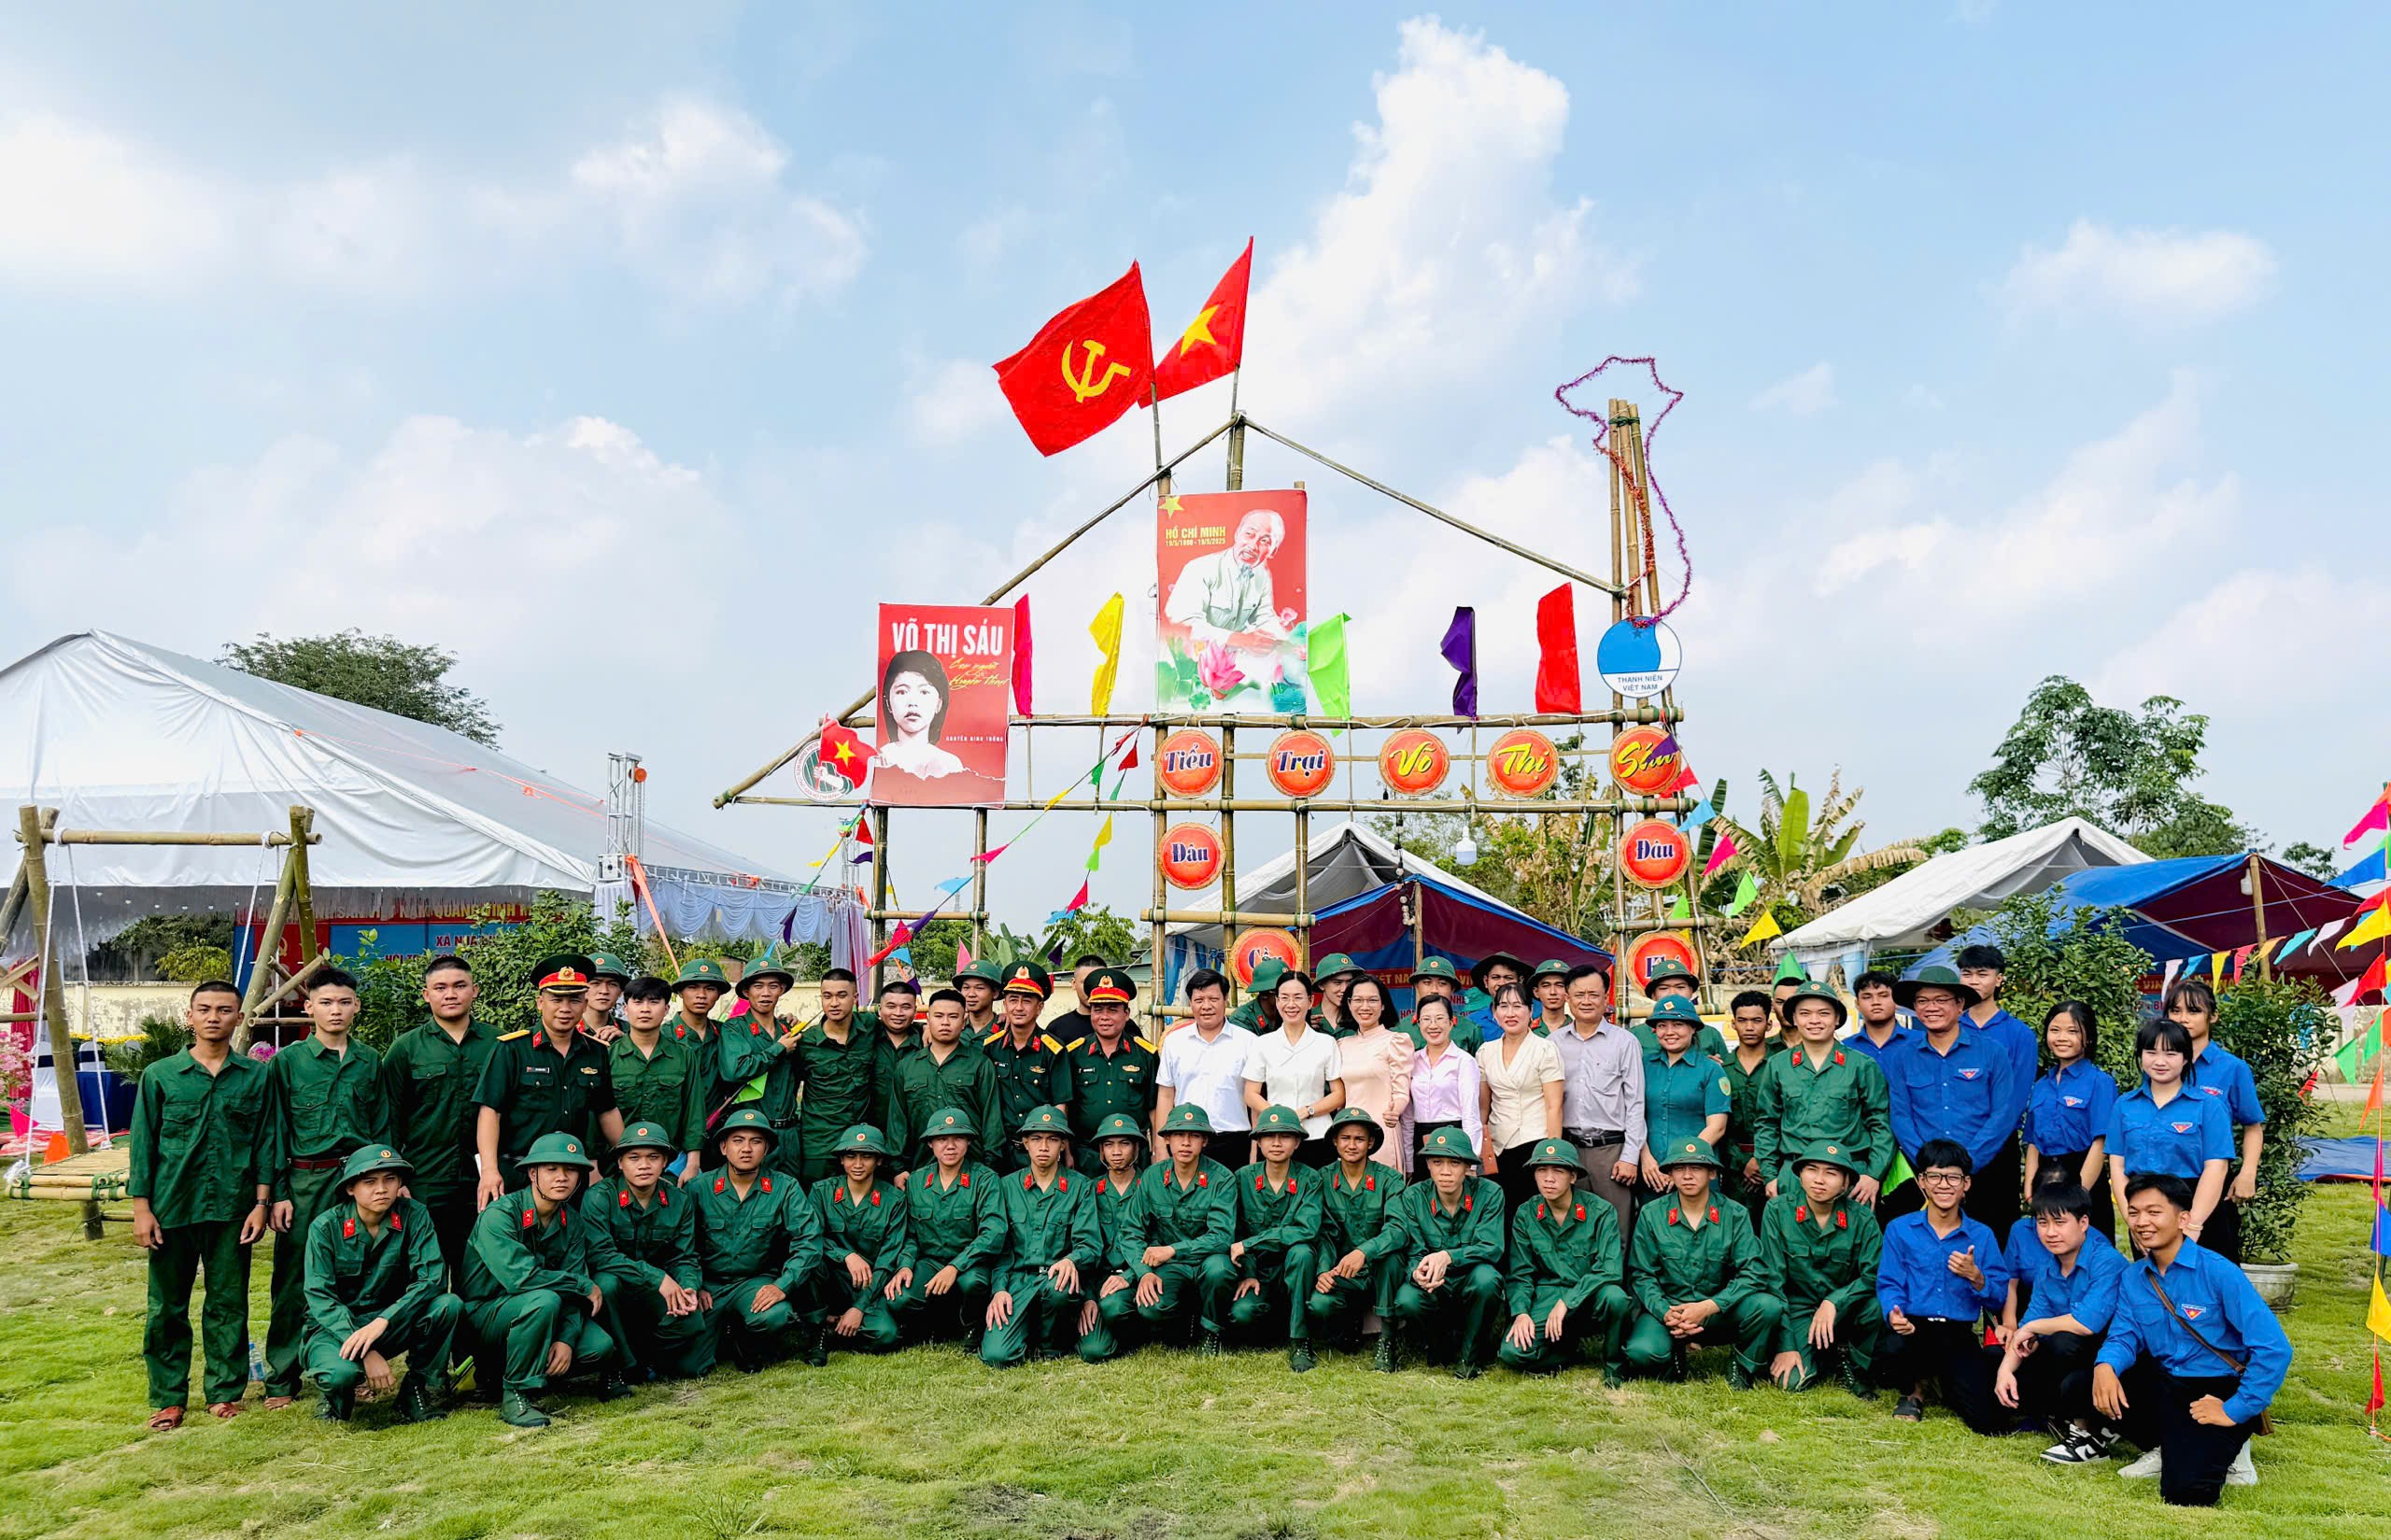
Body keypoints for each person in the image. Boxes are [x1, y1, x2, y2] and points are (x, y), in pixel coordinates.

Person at [2093, 1172, 2291, 1505]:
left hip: (2217, 1386)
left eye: (2154, 1212)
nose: (2142, 1222)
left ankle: (2235, 1446)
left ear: (2183, 1219)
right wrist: (2105, 1366)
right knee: (2087, 1381)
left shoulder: (2218, 1271)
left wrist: (2234, 1409)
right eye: (2135, 1212)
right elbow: (2125, 1335)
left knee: (2186, 1492)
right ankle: (2168, 1445)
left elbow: (2275, 1348)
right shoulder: (2133, 1276)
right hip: (2168, 1381)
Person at [129, 980, 274, 1430]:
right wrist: (141, 1208)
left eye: (224, 1010)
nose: (214, 1017)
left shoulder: (256, 1076)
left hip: (233, 1209)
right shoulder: (160, 1075)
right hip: (171, 1207)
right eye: (205, 1009)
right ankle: (168, 1397)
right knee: (166, 1306)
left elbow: (266, 1140)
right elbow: (143, 1145)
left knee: (228, 1303)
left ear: (239, 1018)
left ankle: (224, 1392)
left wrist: (262, 1202)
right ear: (189, 1016)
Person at [262, 967, 391, 1409]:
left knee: (357, 1274)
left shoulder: (369, 1061)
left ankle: (352, 1365)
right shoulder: (288, 1062)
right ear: (308, 1007)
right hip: (306, 1181)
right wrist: (279, 1193)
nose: (335, 1010)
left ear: (356, 1007)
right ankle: (282, 1377)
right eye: (326, 1002)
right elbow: (275, 1131)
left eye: (344, 1002)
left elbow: (381, 1125)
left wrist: (387, 1180)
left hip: (358, 1179)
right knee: (294, 1277)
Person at [459, 1131, 622, 1427]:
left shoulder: (572, 1222)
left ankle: (525, 1373)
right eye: (551, 1169)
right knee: (544, 1299)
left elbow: (575, 1294)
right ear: (533, 1173)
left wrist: (565, 1339)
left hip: (541, 1314)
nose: (562, 1177)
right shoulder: (500, 1214)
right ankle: (516, 1394)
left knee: (598, 1347)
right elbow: (520, 1279)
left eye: (570, 1170)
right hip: (486, 1316)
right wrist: (581, 1285)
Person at [301, 1145, 460, 1423]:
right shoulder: (325, 1228)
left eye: (390, 1179)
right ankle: (336, 1397)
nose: (382, 1189)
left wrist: (384, 1321)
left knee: (448, 1305)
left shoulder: (414, 1215)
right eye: (370, 1182)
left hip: (388, 1322)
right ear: (350, 1188)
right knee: (340, 1375)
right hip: (335, 1329)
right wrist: (366, 1350)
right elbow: (320, 1297)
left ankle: (415, 1391)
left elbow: (431, 1279)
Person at [378, 954, 500, 1290]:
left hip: (484, 1181)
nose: (450, 994)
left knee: (479, 1276)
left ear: (474, 990)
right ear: (426, 994)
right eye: (440, 987)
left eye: (459, 986)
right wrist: (395, 1177)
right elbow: (390, 1118)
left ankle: (472, 1327)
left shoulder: (500, 1044)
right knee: (423, 1277)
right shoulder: (406, 1049)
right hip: (424, 1181)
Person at [1622, 1138, 1780, 1388]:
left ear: (1712, 1173)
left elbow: (1753, 1272)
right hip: (1670, 1311)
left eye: (1696, 1168)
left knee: (1768, 1306)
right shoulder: (1652, 1214)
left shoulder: (1735, 1214)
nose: (1687, 1175)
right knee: (1642, 1352)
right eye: (1679, 1168)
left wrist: (1709, 1307)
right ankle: (1672, 1355)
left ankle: (1743, 1365)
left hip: (1717, 1311)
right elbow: (1641, 1274)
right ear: (1670, 1174)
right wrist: (1666, 1313)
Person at [1876, 1139, 2012, 1430]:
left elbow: (1999, 1296)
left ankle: (1944, 1382)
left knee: (1989, 1423)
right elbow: (1889, 1282)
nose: (1944, 1185)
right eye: (1935, 1176)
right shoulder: (1900, 1229)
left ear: (1966, 1184)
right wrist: (1894, 1312)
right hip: (1913, 1328)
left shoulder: (1982, 1235)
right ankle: (1914, 1390)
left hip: (1957, 1332)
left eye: (1953, 1177)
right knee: (1892, 1345)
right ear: (1922, 1181)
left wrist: (1976, 1277)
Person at [474, 955, 625, 1206]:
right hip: (519, 1172)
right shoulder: (512, 1049)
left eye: (574, 1000)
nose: (565, 1008)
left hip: (571, 1174)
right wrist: (489, 1170)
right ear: (540, 1002)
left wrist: (628, 1158)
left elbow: (606, 1110)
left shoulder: (596, 1051)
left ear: (585, 1004)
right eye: (556, 999)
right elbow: (490, 1111)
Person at [1998, 1178, 2129, 1464]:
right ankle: (2058, 1416)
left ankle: (2085, 1431)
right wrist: (2004, 1371)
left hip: (2114, 1365)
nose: (2050, 1232)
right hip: (2072, 1363)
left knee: (2063, 1341)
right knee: (2002, 1359)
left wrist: (2031, 1328)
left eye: (2059, 1222)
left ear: (2083, 1223)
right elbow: (2028, 1330)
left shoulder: (2107, 1260)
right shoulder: (2048, 1268)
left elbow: (2087, 1324)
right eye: (2042, 1223)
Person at [1884, 966, 2023, 1228]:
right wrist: (1930, 1166)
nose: (1931, 1008)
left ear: (1960, 1005)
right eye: (1922, 1001)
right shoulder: (1903, 1057)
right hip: (1926, 1177)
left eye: (1940, 1000)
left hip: (1985, 1172)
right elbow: (1901, 1116)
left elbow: (2003, 1113)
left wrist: (1967, 1162)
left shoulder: (1992, 1052)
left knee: (1990, 1241)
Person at [692, 1108, 824, 1372]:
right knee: (691, 1365)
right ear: (723, 1147)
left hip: (754, 1282)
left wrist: (782, 1285)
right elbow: (682, 1245)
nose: (746, 1149)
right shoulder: (699, 1188)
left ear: (767, 1149)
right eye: (738, 1141)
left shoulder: (785, 1187)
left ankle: (746, 1339)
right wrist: (695, 1285)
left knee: (775, 1315)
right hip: (710, 1286)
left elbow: (808, 1240)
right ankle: (725, 1334)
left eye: (756, 1141)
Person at [581, 1120, 710, 1383]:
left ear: (665, 1162)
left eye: (653, 1157)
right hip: (619, 1289)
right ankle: (623, 1366)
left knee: (692, 1324)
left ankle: (645, 1355)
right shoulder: (599, 1197)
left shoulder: (678, 1200)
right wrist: (657, 1278)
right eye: (634, 1157)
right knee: (606, 1283)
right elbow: (601, 1255)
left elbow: (685, 1256)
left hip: (655, 1292)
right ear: (620, 1163)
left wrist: (688, 1287)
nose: (644, 1165)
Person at [1106, 1103, 1238, 1354]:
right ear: (1167, 1139)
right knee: (1150, 1306)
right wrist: (1144, 1272)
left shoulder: (1222, 1178)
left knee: (1219, 1270)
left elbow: (1222, 1237)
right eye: (1178, 1135)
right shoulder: (1153, 1177)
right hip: (1171, 1267)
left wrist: (1173, 1250)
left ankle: (1211, 1332)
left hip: (1208, 1260)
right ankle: (1183, 1324)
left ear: (1205, 1141)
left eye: (1194, 1135)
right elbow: (1131, 1232)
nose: (1185, 1143)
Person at [1497, 1137, 1632, 1381]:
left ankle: (1614, 1364)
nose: (1549, 1178)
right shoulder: (1526, 1213)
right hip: (1548, 1296)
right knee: (1512, 1353)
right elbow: (1520, 1273)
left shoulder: (1601, 1211)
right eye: (1542, 1170)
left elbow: (1610, 1270)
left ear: (1572, 1176)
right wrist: (1521, 1313)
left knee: (1616, 1298)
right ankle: (1566, 1350)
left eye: (1558, 1171)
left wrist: (1567, 1302)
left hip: (1589, 1296)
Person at [1751, 982, 1890, 1214]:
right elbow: (1767, 1123)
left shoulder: (1861, 1065)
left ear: (1837, 1019)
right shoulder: (1778, 1065)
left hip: (1851, 1177)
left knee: (1852, 1236)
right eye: (1805, 1013)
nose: (1814, 1020)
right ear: (1794, 1018)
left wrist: (1873, 1174)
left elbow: (1880, 1123)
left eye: (1824, 1013)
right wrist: (1771, 1175)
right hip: (1793, 1174)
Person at [1759, 1139, 1885, 1396]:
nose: (1819, 1180)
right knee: (1792, 1382)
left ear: (1846, 1183)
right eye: (1812, 1170)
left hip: (1845, 1309)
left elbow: (1874, 1274)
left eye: (1831, 1173)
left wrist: (1833, 1301)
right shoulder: (1777, 1211)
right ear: (1799, 1174)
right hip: (1798, 1309)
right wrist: (1786, 1346)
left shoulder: (1862, 1218)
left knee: (1877, 1305)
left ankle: (1854, 1364)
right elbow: (1773, 1280)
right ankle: (1823, 1355)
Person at [1383, 1125, 1507, 1378]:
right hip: (1435, 1284)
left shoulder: (1490, 1193)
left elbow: (1491, 1247)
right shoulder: (1414, 1197)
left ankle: (1470, 1357)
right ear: (1428, 1165)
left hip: (1470, 1278)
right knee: (1408, 1298)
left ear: (1468, 1166)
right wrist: (1417, 1273)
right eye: (1437, 1162)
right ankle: (1439, 1346)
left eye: (1454, 1163)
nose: (1446, 1171)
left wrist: (1449, 1256)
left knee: (1488, 1279)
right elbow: (1414, 1252)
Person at [981, 1106, 1100, 1367]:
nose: (1044, 1147)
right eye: (1036, 1139)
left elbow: (1090, 1244)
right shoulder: (1006, 1186)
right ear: (1025, 1143)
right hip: (1018, 1281)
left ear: (1063, 1144)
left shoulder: (1080, 1186)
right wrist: (999, 1290)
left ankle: (1052, 1345)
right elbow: (1001, 1249)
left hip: (1056, 1280)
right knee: (997, 1356)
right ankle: (1027, 1333)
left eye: (1052, 1139)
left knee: (1060, 1289)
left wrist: (1071, 1260)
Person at [885, 1107, 1004, 1349]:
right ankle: (931, 1326)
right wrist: (905, 1265)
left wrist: (955, 1266)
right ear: (930, 1143)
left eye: (958, 1138)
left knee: (973, 1284)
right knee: (900, 1297)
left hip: (970, 1262)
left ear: (968, 1142)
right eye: (942, 1139)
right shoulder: (917, 1181)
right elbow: (910, 1234)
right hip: (930, 1261)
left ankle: (972, 1325)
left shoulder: (985, 1179)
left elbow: (993, 1233)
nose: (950, 1146)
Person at [2105, 1019, 2231, 1243]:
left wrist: (2193, 1225)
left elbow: (2216, 1168)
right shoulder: (2124, 1105)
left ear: (2186, 1058)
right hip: (2144, 1209)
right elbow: (2117, 1165)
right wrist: (2133, 1221)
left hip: (2196, 1208)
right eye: (2151, 1052)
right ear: (2140, 1055)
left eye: (2171, 1054)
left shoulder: (2209, 1106)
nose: (2160, 1061)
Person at [2169, 978, 2266, 1264]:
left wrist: (2247, 1174)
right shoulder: (2158, 1064)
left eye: (2193, 1011)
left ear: (2213, 1016)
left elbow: (2252, 1126)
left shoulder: (2232, 1068)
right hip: (2164, 1181)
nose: (2183, 1018)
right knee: (2163, 1268)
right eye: (2175, 1010)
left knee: (2217, 1266)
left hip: (2213, 1180)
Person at [1225, 1105, 1327, 1369]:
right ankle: (1275, 1328)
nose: (1277, 1143)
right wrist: (1248, 1272)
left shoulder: (1310, 1179)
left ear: (1297, 1142)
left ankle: (1300, 1340)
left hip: (1296, 1269)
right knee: (1242, 1314)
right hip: (1258, 1270)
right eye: (1269, 1136)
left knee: (1302, 1251)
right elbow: (1237, 1233)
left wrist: (1251, 1243)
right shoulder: (1242, 1178)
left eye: (1286, 1136)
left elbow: (1306, 1229)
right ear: (1258, 1142)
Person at [1549, 963, 1646, 1239]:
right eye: (1579, 995)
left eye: (1594, 994)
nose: (1586, 1001)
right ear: (1567, 998)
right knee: (1573, 1230)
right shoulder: (1553, 1043)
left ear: (1606, 998)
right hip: (1568, 1149)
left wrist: (1630, 1157)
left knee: (1616, 1230)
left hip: (1611, 1152)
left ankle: (1616, 1272)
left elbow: (1636, 1103)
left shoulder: (1625, 1042)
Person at [1308, 1106, 1408, 1370]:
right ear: (1334, 1141)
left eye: (1359, 1139)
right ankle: (1348, 1321)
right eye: (1345, 1138)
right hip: (1344, 1272)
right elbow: (1323, 1233)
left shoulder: (1389, 1179)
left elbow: (1398, 1229)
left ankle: (1388, 1339)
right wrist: (1323, 1270)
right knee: (1319, 1303)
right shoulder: (1322, 1179)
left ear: (1370, 1143)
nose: (1352, 1145)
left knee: (1392, 1259)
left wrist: (1364, 1252)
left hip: (1379, 1270)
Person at [1953, 943, 2044, 1225]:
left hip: (1999, 1145)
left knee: (1999, 1226)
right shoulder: (1949, 1028)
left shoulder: (2019, 1034)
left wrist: (1978, 1151)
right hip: (1953, 1142)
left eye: (1982, 974)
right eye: (1967, 974)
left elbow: (2015, 1101)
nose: (1974, 981)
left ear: (1999, 979)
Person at [764, 967, 882, 1185]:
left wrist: (924, 1030)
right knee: (816, 1199)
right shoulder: (804, 1042)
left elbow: (900, 1025)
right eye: (827, 996)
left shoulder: (870, 1026)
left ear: (855, 998)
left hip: (860, 1142)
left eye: (842, 995)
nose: (834, 1003)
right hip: (819, 1144)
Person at [1162, 505, 1296, 683]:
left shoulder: (1262, 575)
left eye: (1265, 541)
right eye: (1249, 534)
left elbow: (1265, 618)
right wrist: (1241, 640)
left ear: (1274, 550)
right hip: (1182, 671)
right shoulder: (1199, 568)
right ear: (1237, 534)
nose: (1253, 545)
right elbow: (1182, 624)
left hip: (1225, 672)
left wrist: (1291, 645)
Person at [2023, 1002, 2118, 1240]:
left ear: (2088, 1037)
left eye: (2072, 1031)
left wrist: (2080, 1194)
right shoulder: (2041, 1085)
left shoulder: (2100, 1082)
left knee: (2089, 1251)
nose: (2062, 1038)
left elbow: (2100, 1144)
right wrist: (2029, 1188)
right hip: (2044, 1180)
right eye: (2055, 1030)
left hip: (2083, 1178)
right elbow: (2033, 1142)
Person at [810, 1124, 906, 1357]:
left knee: (886, 1334)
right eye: (851, 1156)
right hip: (832, 1280)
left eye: (867, 1156)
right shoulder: (821, 1192)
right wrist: (847, 1256)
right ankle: (818, 1328)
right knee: (810, 1262)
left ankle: (838, 1328)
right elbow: (811, 1239)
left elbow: (887, 1261)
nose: (858, 1164)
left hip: (870, 1286)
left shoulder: (894, 1200)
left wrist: (859, 1307)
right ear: (842, 1160)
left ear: (879, 1161)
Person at [885, 988, 1005, 1168]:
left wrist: (989, 1167)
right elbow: (897, 1122)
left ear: (963, 1022)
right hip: (919, 1168)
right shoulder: (907, 1067)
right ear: (928, 1020)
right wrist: (898, 1168)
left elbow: (992, 1120)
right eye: (939, 1016)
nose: (945, 1023)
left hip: (971, 1167)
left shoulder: (980, 1064)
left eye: (953, 1017)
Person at [1477, 982, 1566, 1217]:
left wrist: (1552, 1155)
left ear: (1531, 1010)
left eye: (1518, 1006)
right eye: (1503, 1006)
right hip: (1497, 1146)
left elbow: (1554, 1106)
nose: (1510, 1013)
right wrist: (1480, 1148)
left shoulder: (1545, 1049)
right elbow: (1483, 1107)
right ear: (1495, 1012)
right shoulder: (1486, 1051)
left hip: (1534, 1143)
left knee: (1532, 1216)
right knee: (1500, 1216)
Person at [606, 974, 708, 1178]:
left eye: (653, 1002)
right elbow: (597, 1114)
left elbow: (694, 1112)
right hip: (616, 1164)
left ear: (666, 1009)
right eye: (638, 1002)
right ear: (625, 1008)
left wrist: (693, 1163)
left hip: (670, 1164)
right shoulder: (608, 1056)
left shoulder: (684, 1056)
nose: (645, 1009)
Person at [1635, 996, 1732, 1211]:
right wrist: (1645, 1158)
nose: (1669, 1032)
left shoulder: (1711, 1070)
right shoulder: (1642, 1065)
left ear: (1693, 1028)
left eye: (1678, 1024)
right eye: (1662, 1025)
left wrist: (1681, 1166)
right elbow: (1634, 1116)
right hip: (1652, 1173)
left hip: (1696, 1172)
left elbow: (1717, 1127)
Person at [1242, 968, 1345, 1166]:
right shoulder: (1263, 1044)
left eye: (1298, 997)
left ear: (1310, 1001)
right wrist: (1280, 1117)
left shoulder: (1325, 1043)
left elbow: (1338, 1094)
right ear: (1277, 1001)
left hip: (1317, 1134)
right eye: (1284, 998)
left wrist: (1308, 1111)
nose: (1291, 1004)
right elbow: (1250, 1094)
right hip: (1274, 1135)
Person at [1156, 968, 1257, 1166]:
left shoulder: (1248, 1042)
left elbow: (1255, 1100)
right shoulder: (1175, 1042)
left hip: (1234, 1141)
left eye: (1213, 999)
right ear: (1190, 1003)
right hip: (1186, 1141)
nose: (1206, 1006)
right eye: (1199, 1000)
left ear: (1225, 999)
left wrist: (1255, 1151)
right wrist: (1160, 1147)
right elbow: (1166, 1095)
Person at [1076, 1112, 1153, 1363]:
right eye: (1109, 1144)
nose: (1116, 1152)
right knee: (1094, 1351)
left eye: (1124, 1144)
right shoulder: (1089, 1190)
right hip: (1101, 1281)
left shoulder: (1151, 1186)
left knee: (1118, 1307)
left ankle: (1143, 1332)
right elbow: (1083, 1246)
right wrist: (1088, 1296)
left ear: (1137, 1148)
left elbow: (1159, 1240)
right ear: (1101, 1151)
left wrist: (1130, 1276)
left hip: (1140, 1275)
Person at [1065, 968, 1158, 1172]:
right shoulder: (1073, 1054)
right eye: (1098, 1010)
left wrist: (1158, 1151)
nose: (1104, 1017)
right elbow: (1065, 1106)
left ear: (1127, 1014)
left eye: (1112, 1010)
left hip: (1134, 1155)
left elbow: (1154, 1109)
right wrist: (1066, 1150)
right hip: (1086, 1156)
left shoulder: (1146, 1055)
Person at [982, 962, 1073, 1172]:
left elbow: (1061, 1106)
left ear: (1039, 1007)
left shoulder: (1054, 1050)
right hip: (1000, 1151)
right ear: (1005, 1004)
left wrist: (1062, 1150)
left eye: (1027, 1001)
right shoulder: (990, 1047)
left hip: (1040, 1152)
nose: (1019, 1007)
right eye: (1013, 1000)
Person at [1400, 995, 1482, 1177]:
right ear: (1418, 1023)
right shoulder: (1412, 1061)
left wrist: (1471, 1162)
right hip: (1421, 1140)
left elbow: (1471, 1113)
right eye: (1426, 1019)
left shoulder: (1464, 1061)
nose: (1433, 1025)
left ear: (1451, 1023)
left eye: (1439, 1018)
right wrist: (1408, 1161)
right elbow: (1408, 1116)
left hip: (1454, 1139)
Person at [1330, 976, 1410, 1160]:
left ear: (1383, 1005)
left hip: (1382, 1127)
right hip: (1348, 1131)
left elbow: (1401, 1091)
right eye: (1358, 1000)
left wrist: (1395, 1111)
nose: (1365, 1007)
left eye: (1372, 1000)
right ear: (1349, 1004)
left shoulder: (1396, 1041)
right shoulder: (1341, 1045)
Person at [1718, 990, 1777, 1224]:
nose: (1749, 1027)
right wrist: (1742, 1163)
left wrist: (1761, 1160)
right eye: (1742, 1020)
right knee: (1736, 1229)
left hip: (1775, 1166)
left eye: (1757, 1020)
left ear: (1768, 1024)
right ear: (1733, 1024)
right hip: (1733, 1169)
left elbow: (1788, 1118)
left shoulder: (1782, 1064)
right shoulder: (1721, 1069)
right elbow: (1718, 1124)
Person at [715, 954, 797, 1123]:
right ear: (747, 991)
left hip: (788, 1129)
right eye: (758, 986)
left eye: (773, 986)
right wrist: (779, 1049)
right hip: (750, 1129)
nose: (765, 993)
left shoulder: (788, 1030)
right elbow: (734, 1071)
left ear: (782, 989)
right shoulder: (735, 1028)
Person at [872, 649, 969, 780]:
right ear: (888, 703)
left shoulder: (950, 764)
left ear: (939, 703)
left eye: (924, 692)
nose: (912, 703)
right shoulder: (879, 759)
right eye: (902, 692)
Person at [1633, 957, 1733, 1059]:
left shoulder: (1711, 1034)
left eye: (1680, 987)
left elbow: (1725, 1065)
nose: (1673, 993)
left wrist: (1712, 1065)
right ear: (1653, 995)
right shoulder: (1636, 1035)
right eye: (1664, 988)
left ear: (1691, 992)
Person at [870, 977, 923, 1131]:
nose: (898, 1013)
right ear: (880, 1009)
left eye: (906, 1007)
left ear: (915, 1010)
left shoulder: (926, 1043)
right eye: (891, 1006)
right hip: (872, 1134)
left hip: (915, 1133)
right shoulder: (866, 1039)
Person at [1399, 956, 1478, 1052]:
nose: (1434, 990)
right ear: (1417, 986)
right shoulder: (1401, 1028)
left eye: (1442, 983)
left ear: (1452, 989)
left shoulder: (1470, 1029)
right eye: (1427, 983)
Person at [1845, 970, 1911, 1069]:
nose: (1875, 1002)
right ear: (1857, 1004)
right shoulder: (1845, 1048)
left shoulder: (1921, 1042)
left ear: (1897, 1000)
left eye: (1883, 996)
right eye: (1867, 997)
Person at [1463, 951, 1528, 1041]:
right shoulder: (1472, 1021)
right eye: (1495, 977)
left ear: (1520, 981)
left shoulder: (1534, 1019)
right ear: (1486, 981)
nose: (1501, 983)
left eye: (1508, 978)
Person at [580, 952, 632, 1044]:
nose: (604, 991)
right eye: (595, 983)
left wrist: (626, 1044)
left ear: (621, 992)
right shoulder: (563, 1030)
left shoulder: (631, 1032)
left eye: (612, 984)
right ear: (581, 989)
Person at [1312, 953, 1366, 1038]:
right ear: (1321, 985)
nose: (1344, 989)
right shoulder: (1305, 1018)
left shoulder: (1362, 1016)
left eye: (1349, 982)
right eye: (1337, 983)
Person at [955, 958, 1002, 1038]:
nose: (971, 994)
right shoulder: (954, 1028)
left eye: (979, 988)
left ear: (995, 993)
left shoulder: (1005, 1031)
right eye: (966, 988)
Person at [1528, 959, 1573, 1034]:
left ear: (1569, 991)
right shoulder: (1526, 1031)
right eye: (1546, 986)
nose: (1553, 992)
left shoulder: (1579, 1030)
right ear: (1536, 992)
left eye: (1559, 985)